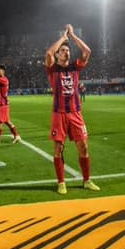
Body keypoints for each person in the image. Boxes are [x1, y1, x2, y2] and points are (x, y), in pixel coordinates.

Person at [45, 24, 99, 195]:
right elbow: (48, 54)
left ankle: (87, 180)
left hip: (75, 113)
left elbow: (87, 51)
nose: (65, 53)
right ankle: (61, 182)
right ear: (58, 54)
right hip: (59, 114)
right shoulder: (52, 69)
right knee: (59, 148)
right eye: (62, 51)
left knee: (83, 146)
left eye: (67, 51)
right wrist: (63, 37)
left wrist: (73, 36)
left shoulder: (76, 66)